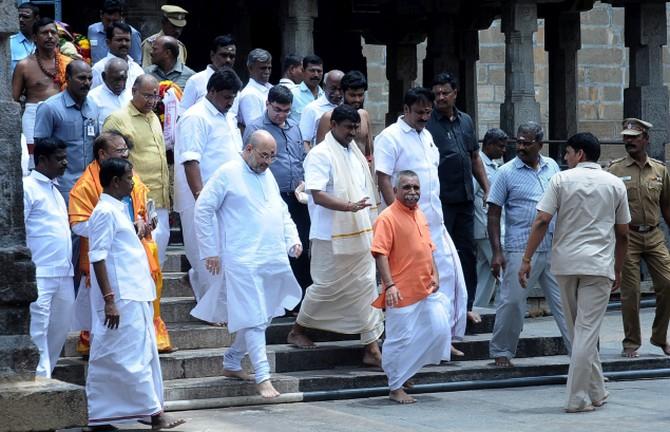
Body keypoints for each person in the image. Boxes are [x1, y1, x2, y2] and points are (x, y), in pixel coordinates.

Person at [519, 132, 630, 413]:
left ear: (580, 154)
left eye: (567, 153)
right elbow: (624, 234)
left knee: (579, 331)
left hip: (566, 264)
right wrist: (619, 267)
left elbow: (542, 219)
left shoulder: (560, 180)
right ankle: (579, 396)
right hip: (599, 265)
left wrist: (527, 257)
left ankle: (593, 391)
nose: (565, 158)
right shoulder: (615, 184)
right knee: (585, 332)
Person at [195, 130, 303, 398]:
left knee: (263, 315)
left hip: (270, 255)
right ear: (248, 149)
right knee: (254, 318)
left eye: (271, 157)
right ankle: (263, 377)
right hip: (240, 257)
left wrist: (293, 239)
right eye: (263, 155)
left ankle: (232, 361)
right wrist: (210, 250)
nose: (267, 161)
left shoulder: (266, 175)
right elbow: (203, 208)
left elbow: (281, 210)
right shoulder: (228, 172)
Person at [86, 158, 184, 430]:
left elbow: (118, 243)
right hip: (120, 298)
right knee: (120, 356)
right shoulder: (104, 211)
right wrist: (109, 300)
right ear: (116, 181)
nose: (133, 182)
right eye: (129, 178)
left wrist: (138, 229)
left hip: (134, 293)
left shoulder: (117, 210)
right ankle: (121, 414)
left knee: (142, 354)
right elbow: (98, 256)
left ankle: (149, 412)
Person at [287, 105, 384, 367]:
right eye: (348, 127)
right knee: (325, 288)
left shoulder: (355, 154)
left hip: (359, 232)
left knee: (366, 285)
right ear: (333, 126)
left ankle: (371, 347)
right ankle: (297, 330)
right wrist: (348, 206)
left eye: (355, 128)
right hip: (329, 234)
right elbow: (317, 194)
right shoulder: (320, 154)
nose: (353, 133)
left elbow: (365, 193)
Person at [374, 87, 468, 357]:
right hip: (404, 225)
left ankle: (443, 338)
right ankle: (410, 345)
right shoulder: (389, 137)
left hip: (431, 221)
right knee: (410, 285)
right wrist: (397, 217)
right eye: (419, 112)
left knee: (446, 278)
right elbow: (383, 179)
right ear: (406, 110)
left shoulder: (427, 135)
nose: (424, 117)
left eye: (428, 112)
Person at [69, 131, 173, 355]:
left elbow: (142, 205)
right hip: (111, 265)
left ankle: (152, 339)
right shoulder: (87, 185)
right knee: (111, 337)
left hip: (135, 255)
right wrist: (121, 229)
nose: (126, 156)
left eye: (127, 151)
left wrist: (144, 223)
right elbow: (79, 225)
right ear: (102, 154)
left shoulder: (128, 174)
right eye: (120, 151)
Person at [487, 121, 570, 368]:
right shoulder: (506, 173)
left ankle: (581, 358)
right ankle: (502, 352)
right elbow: (493, 213)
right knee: (512, 302)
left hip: (553, 248)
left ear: (540, 144)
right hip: (520, 249)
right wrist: (497, 253)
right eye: (518, 141)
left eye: (527, 142)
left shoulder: (552, 166)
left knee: (566, 305)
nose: (521, 146)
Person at [372, 170, 451, 404]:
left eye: (416, 188)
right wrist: (390, 285)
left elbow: (428, 247)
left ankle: (404, 372)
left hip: (425, 288)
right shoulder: (386, 217)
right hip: (400, 292)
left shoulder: (420, 214)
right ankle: (395, 387)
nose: (412, 192)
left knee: (439, 330)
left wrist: (435, 273)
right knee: (398, 340)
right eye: (406, 187)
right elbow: (380, 254)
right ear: (395, 191)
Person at [174, 69, 243, 311]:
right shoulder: (196, 117)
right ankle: (211, 309)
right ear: (211, 92)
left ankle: (199, 285)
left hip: (227, 198)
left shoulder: (227, 115)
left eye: (233, 97)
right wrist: (201, 199)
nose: (230, 102)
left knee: (225, 252)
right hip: (201, 198)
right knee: (206, 251)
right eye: (226, 97)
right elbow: (190, 161)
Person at [427, 72, 489, 323]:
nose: (440, 98)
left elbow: (474, 157)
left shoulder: (465, 121)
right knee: (441, 255)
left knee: (467, 253)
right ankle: (442, 308)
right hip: (440, 201)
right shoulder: (428, 123)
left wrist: (486, 187)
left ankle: (467, 305)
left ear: (455, 94)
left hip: (464, 199)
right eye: (437, 94)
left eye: (445, 93)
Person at [607, 118, 670, 358]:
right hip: (628, 236)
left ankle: (660, 336)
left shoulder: (660, 170)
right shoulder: (615, 170)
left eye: (633, 137)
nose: (628, 141)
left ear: (646, 139)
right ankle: (631, 342)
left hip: (654, 235)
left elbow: (666, 205)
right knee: (630, 291)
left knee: (667, 283)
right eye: (626, 137)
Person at [244, 84, 311, 298]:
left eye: (286, 110)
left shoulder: (294, 126)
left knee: (300, 243)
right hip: (270, 194)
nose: (282, 115)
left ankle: (299, 297)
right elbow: (249, 164)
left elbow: (299, 157)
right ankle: (277, 297)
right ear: (267, 104)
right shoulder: (255, 129)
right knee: (276, 247)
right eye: (277, 110)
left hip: (297, 194)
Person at [102, 75, 170, 265]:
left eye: (156, 96)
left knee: (158, 259)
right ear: (133, 92)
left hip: (159, 201)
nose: (152, 101)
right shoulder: (117, 119)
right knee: (140, 259)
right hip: (134, 202)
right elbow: (109, 164)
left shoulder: (154, 117)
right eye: (147, 96)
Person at [23, 137, 74, 378]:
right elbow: (18, 230)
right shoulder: (27, 187)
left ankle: (47, 380)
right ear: (41, 159)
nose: (65, 163)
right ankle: (40, 382)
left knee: (59, 331)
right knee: (38, 332)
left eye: (65, 158)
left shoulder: (55, 190)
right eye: (59, 159)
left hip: (64, 273)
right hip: (39, 274)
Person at [33, 59, 99, 202]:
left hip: (90, 185)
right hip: (61, 186)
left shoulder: (93, 107)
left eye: (90, 78)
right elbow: (41, 149)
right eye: (81, 78)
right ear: (67, 78)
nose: (87, 83)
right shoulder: (50, 108)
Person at [13, 17, 72, 166]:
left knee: (62, 156)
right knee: (37, 160)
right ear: (34, 37)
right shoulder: (24, 65)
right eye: (44, 33)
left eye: (53, 32)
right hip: (34, 115)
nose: (50, 36)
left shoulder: (69, 63)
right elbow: (13, 99)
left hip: (63, 114)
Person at [473, 128, 508, 307]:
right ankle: (503, 315)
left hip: (488, 228)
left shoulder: (492, 165)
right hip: (486, 228)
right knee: (505, 272)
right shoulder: (479, 165)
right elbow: (471, 196)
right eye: (500, 147)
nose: (503, 151)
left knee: (487, 275)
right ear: (490, 145)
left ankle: (478, 312)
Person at [316, 70, 373, 160]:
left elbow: (369, 153)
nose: (357, 100)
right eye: (352, 95)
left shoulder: (364, 115)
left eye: (360, 95)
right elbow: (319, 155)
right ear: (342, 93)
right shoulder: (328, 118)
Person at [181, 34, 236, 111]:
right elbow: (182, 113)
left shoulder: (235, 84)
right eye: (224, 55)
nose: (228, 60)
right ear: (212, 55)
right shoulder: (195, 81)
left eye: (232, 56)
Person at [91, 22, 144, 92]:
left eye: (127, 40)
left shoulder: (137, 69)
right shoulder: (99, 69)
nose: (124, 43)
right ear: (108, 42)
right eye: (119, 40)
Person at [299, 69, 343, 150]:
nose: (337, 93)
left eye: (341, 89)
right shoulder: (312, 109)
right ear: (324, 86)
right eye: (333, 88)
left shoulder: (346, 107)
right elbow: (304, 142)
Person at [88, 0, 142, 64]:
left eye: (115, 21)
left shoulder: (132, 34)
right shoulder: (92, 30)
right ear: (101, 15)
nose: (111, 24)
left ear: (121, 18)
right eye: (108, 20)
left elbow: (136, 61)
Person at [88, 57, 131, 125]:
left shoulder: (131, 94)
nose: (120, 83)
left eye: (123, 79)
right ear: (104, 77)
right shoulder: (93, 98)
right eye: (116, 79)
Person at [236, 48, 273, 128]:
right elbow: (255, 129)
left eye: (269, 68)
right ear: (250, 68)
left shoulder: (270, 88)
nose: (267, 71)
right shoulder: (249, 95)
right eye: (263, 68)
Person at [289, 54, 324, 123]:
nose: (316, 75)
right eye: (312, 71)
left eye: (319, 71)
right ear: (303, 71)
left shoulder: (325, 96)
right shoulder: (292, 94)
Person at [10, 2, 39, 72]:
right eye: (19, 16)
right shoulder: (9, 42)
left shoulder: (43, 42)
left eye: (26, 17)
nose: (21, 20)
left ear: (36, 19)